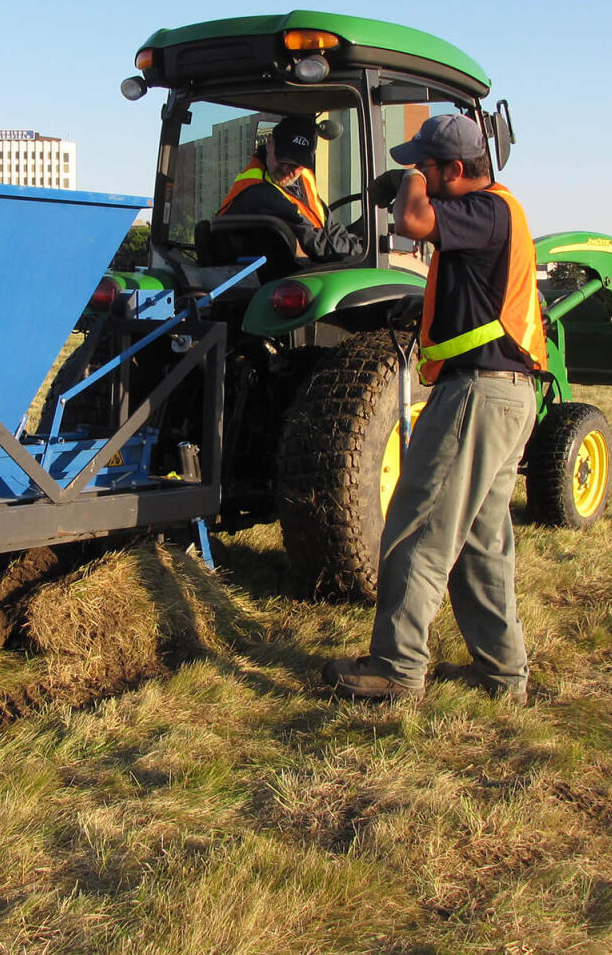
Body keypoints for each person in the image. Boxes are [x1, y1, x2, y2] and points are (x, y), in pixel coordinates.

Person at [321, 113, 547, 705]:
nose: (417, 172)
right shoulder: (492, 215)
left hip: (478, 395)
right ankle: (502, 674)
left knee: (417, 526)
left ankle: (396, 669)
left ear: (456, 169)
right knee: (481, 540)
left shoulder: (487, 209)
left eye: (425, 164)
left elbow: (414, 220)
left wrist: (407, 183)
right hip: (503, 395)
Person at [215, 114, 363, 261]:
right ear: (270, 143)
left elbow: (329, 226)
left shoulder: (303, 177)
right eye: (282, 159)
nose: (287, 169)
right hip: (270, 272)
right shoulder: (259, 191)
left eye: (296, 164)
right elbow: (317, 245)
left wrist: (353, 240)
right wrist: (361, 249)